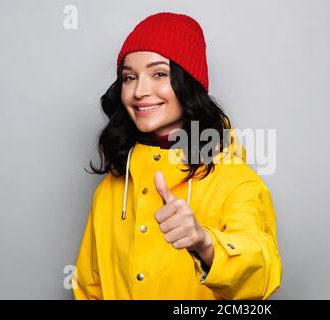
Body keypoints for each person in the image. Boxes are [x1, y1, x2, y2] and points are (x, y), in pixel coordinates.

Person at [72, 11, 282, 300]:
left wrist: (205, 243)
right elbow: (88, 289)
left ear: (188, 84)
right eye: (129, 77)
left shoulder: (233, 178)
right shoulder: (111, 188)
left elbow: (263, 273)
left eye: (159, 73)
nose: (139, 91)